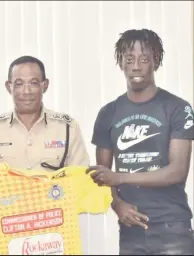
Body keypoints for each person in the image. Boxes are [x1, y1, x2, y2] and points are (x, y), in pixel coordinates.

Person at [88, 28, 194, 255]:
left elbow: (177, 171)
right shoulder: (108, 113)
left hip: (172, 228)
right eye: (129, 59)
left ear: (155, 62)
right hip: (130, 230)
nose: (136, 66)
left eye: (144, 59)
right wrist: (117, 205)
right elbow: (103, 174)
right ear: (121, 63)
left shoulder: (177, 108)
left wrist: (120, 177)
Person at [0, 55, 90, 170]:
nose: (26, 91)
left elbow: (80, 178)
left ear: (45, 85)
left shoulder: (67, 128)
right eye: (19, 84)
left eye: (33, 83)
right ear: (8, 87)